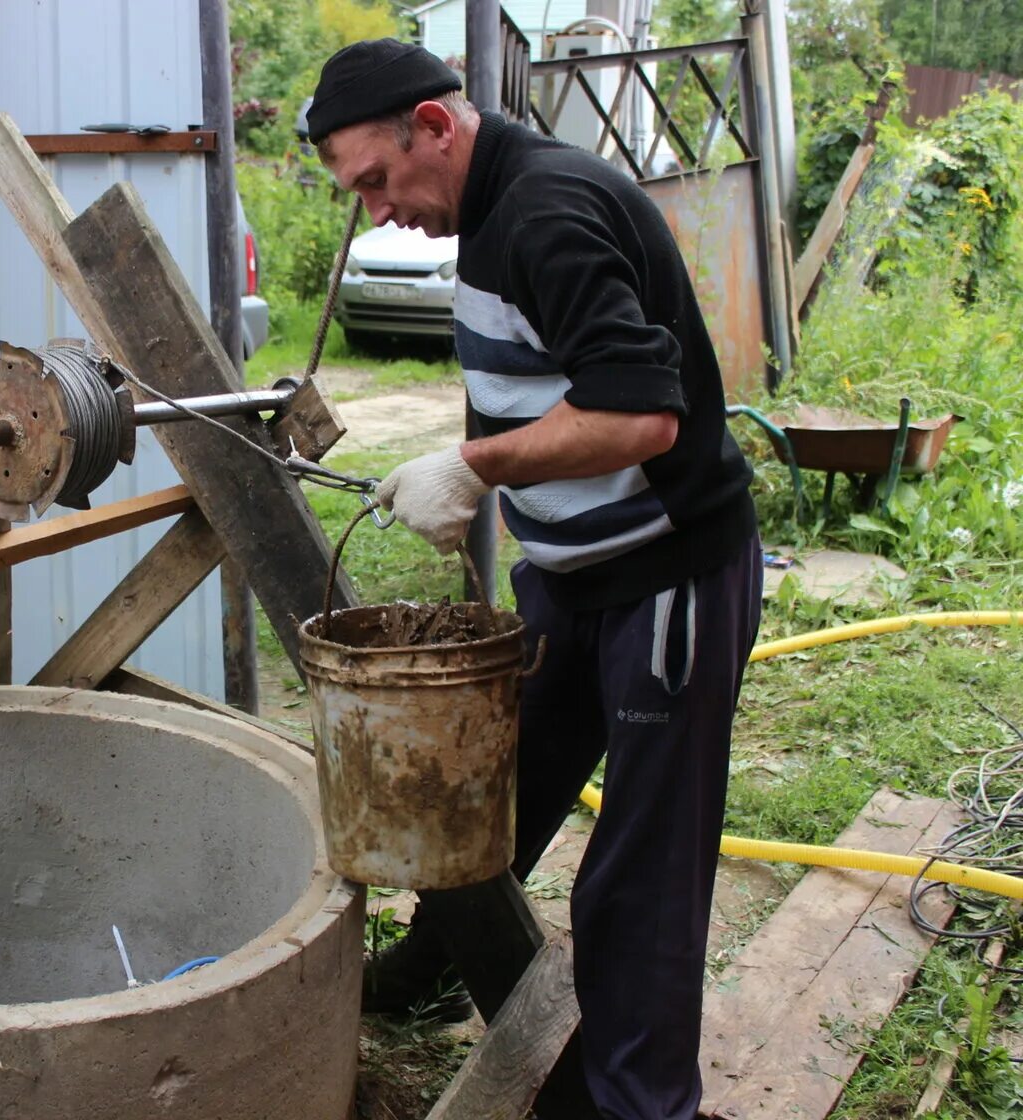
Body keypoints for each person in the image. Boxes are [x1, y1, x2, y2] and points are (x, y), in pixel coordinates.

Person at [306, 39, 763, 1120]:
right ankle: (428, 974)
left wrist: (468, 468)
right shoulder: (483, 212)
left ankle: (643, 1104)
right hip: (567, 580)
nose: (376, 211)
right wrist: (483, 493)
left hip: (664, 581)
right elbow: (524, 385)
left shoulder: (548, 212)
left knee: (639, 875)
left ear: (435, 125)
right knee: (488, 799)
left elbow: (638, 415)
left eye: (377, 179)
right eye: (355, 194)